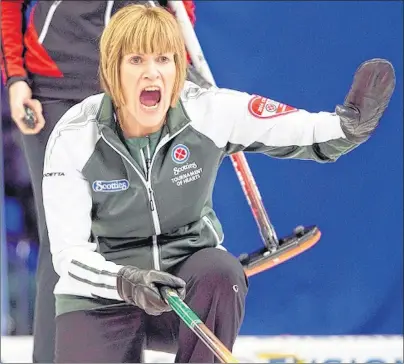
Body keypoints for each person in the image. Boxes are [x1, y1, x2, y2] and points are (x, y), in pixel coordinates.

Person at [40, 4, 395, 363]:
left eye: (163, 59)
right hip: (106, 294)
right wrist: (127, 281)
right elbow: (69, 256)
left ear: (178, 68)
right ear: (112, 69)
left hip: (180, 292)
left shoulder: (206, 111)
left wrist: (347, 128)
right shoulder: (75, 135)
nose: (152, 74)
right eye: (136, 60)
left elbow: (289, 125)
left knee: (221, 272)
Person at [0, 1, 198, 362]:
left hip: (131, 88)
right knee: (61, 243)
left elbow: (178, 9)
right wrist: (15, 78)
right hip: (54, 88)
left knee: (124, 237)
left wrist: (175, 68)